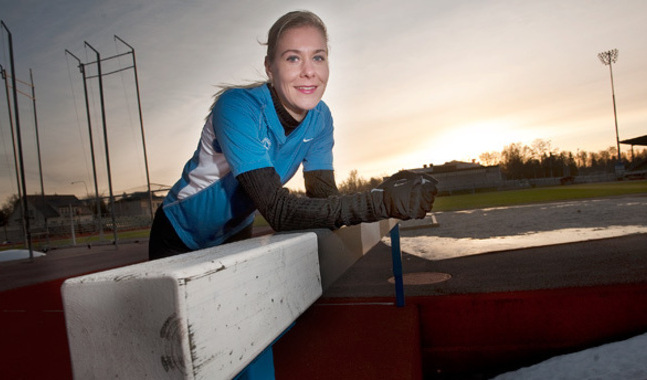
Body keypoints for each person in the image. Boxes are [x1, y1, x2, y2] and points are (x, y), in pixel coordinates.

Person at [149, 10, 437, 260]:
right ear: (270, 68)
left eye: (318, 57)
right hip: (178, 233)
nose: (309, 72)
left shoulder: (321, 118)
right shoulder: (237, 107)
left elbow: (323, 197)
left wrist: (379, 191)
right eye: (293, 59)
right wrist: (380, 203)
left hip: (235, 230)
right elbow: (278, 211)